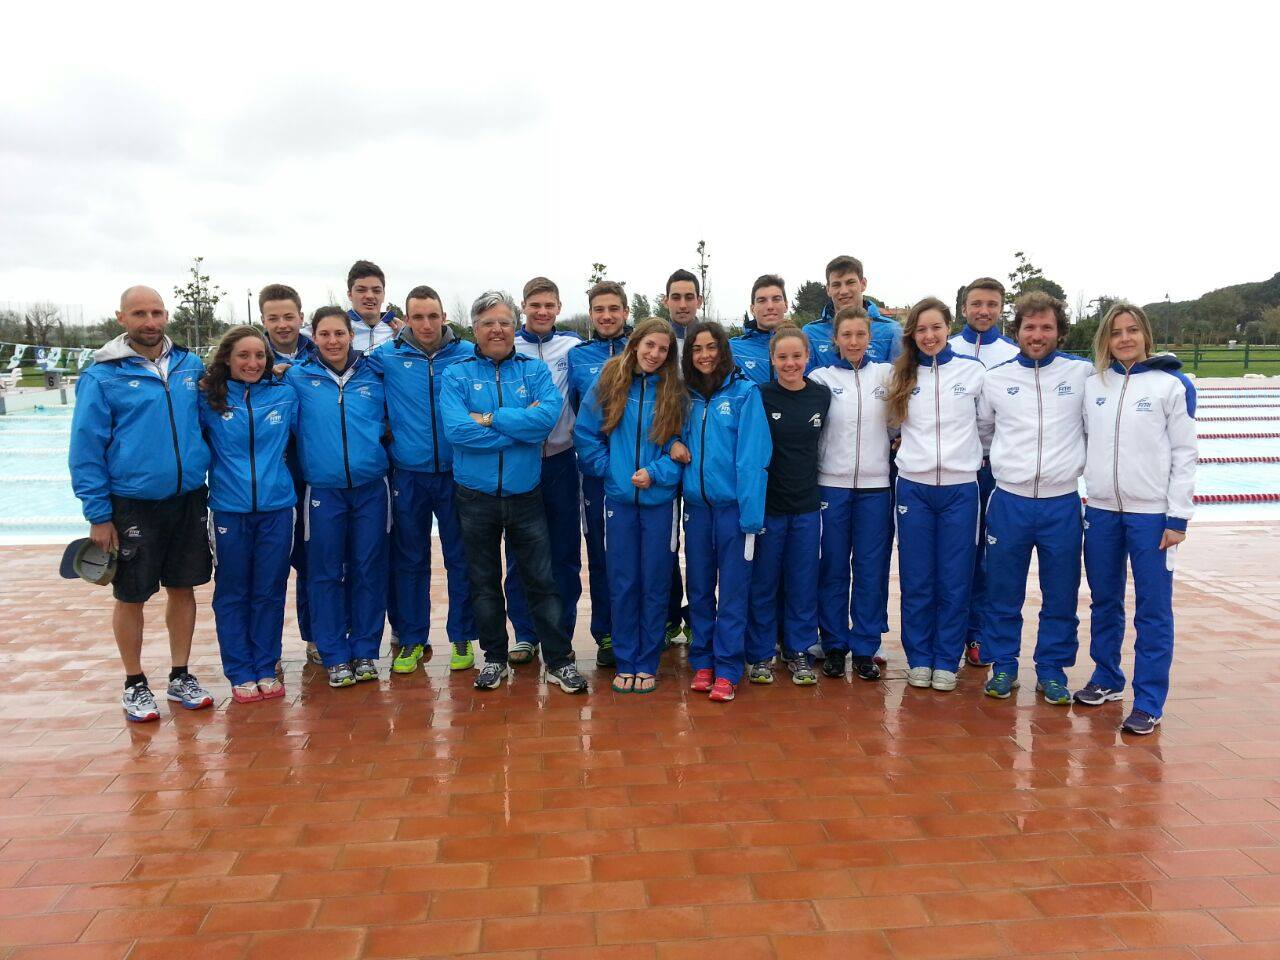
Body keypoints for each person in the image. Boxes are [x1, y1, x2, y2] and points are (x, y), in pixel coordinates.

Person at [69, 285, 214, 721]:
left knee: (183, 587)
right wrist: (98, 514)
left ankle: (180, 674)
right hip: (131, 503)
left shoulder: (190, 365)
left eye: (155, 312)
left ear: (166, 314)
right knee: (131, 595)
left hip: (188, 498)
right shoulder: (103, 376)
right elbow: (86, 449)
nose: (149, 322)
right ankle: (134, 682)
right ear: (121, 318)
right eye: (139, 314)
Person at [440, 290, 587, 694]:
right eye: (488, 323)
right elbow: (457, 431)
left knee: (541, 579)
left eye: (504, 322)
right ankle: (494, 658)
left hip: (526, 494)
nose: (498, 330)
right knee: (484, 583)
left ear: (513, 325)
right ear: (475, 329)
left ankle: (559, 660)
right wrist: (515, 432)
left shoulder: (533, 370)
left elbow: (543, 422)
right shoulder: (457, 373)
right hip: (475, 497)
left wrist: (490, 419)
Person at [1076, 302, 1196, 735]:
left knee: (1152, 611)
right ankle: (1107, 677)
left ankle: (1149, 700)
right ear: (1105, 340)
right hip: (1104, 510)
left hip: (1151, 515)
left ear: (1145, 334)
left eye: (1132, 330)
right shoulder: (1094, 385)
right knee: (1104, 601)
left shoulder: (1171, 386)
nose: (1124, 338)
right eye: (1115, 332)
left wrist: (1178, 516)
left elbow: (1185, 453)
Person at [976, 292, 1091, 704]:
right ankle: (1003, 664)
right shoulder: (998, 378)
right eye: (1030, 327)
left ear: (1059, 331)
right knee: (1002, 591)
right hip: (1010, 501)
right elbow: (985, 434)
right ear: (1017, 330)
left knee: (1060, 593)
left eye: (1046, 327)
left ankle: (1052, 669)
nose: (1037, 335)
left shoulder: (1082, 375)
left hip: (1061, 503)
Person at [367, 285, 478, 674]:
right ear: (406, 319)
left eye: (433, 316)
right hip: (409, 474)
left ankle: (462, 635)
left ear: (444, 316)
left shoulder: (466, 354)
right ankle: (412, 639)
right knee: (410, 559)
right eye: (418, 317)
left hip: (456, 473)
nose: (427, 324)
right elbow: (343, 367)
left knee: (459, 558)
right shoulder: (387, 357)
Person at [574, 318, 687, 693]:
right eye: (649, 345)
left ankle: (647, 661)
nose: (655, 354)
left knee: (654, 582)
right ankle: (626, 658)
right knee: (623, 581)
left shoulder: (674, 390)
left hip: (659, 503)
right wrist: (612, 473)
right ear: (635, 343)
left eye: (663, 349)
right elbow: (586, 434)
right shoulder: (610, 380)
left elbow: (684, 448)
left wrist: (656, 473)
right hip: (619, 502)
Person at [285, 307, 391, 687]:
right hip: (323, 491)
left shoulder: (375, 374)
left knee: (368, 569)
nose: (332, 341)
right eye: (325, 334)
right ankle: (334, 654)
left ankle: (365, 650)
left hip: (370, 489)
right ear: (314, 336)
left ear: (350, 335)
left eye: (339, 334)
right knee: (325, 573)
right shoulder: (297, 377)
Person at [885, 297, 985, 693]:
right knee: (918, 577)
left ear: (949, 327)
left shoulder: (973, 372)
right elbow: (893, 426)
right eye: (921, 329)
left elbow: (988, 424)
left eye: (936, 327)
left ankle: (946, 658)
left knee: (955, 578)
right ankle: (920, 657)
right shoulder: (902, 377)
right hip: (915, 487)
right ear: (913, 334)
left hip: (961, 488)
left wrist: (967, 457)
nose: (929, 335)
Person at [198, 327, 299, 702]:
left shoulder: (284, 395)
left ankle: (265, 664)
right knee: (232, 591)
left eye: (260, 356)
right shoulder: (209, 399)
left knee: (270, 589)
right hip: (229, 509)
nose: (253, 363)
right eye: (244, 355)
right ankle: (239, 670)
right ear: (228, 358)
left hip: (277, 508)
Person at [682, 321, 772, 702]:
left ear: (723, 350)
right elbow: (670, 435)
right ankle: (703, 659)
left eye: (711, 347)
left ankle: (729, 666)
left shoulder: (744, 393)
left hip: (734, 509)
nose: (704, 355)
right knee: (700, 588)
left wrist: (751, 515)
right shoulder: (684, 395)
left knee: (733, 590)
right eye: (697, 349)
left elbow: (753, 457)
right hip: (696, 507)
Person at [809, 307, 896, 681]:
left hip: (876, 487)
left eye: (861, 335)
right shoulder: (820, 378)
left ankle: (865, 646)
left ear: (870, 337)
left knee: (870, 569)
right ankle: (832, 643)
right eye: (847, 335)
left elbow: (904, 419)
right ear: (836, 340)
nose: (855, 342)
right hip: (832, 485)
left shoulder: (888, 375)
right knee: (831, 568)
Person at [504, 277, 583, 665]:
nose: (542, 312)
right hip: (519, 462)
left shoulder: (573, 346)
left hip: (562, 461)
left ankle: (562, 631)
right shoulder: (507, 346)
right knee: (520, 552)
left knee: (564, 553)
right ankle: (524, 632)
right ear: (523, 306)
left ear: (558, 307)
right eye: (535, 304)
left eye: (549, 305)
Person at [745, 326, 828, 686]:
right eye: (783, 357)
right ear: (772, 359)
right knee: (764, 582)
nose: (790, 363)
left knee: (802, 581)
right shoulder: (759, 395)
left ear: (808, 357)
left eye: (797, 356)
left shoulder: (822, 397)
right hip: (769, 506)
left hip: (807, 505)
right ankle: (762, 652)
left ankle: (797, 650)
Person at [950, 277, 1020, 669]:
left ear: (1000, 309)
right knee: (956, 555)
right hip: (957, 468)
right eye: (976, 303)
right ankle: (952, 629)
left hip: (994, 469)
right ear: (964, 308)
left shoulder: (1011, 352)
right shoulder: (947, 347)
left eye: (991, 304)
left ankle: (978, 632)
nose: (983, 311)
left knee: (989, 557)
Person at [567, 281, 631, 667]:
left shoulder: (643, 351)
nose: (607, 316)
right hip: (595, 475)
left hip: (638, 470)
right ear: (591, 314)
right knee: (602, 555)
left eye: (614, 308)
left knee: (643, 553)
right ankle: (606, 633)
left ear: (625, 311)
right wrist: (599, 464)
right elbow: (580, 417)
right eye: (599, 309)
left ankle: (644, 627)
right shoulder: (578, 357)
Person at [258, 283, 319, 665]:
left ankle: (315, 638)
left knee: (313, 563)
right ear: (262, 320)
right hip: (269, 481)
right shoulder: (249, 357)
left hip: (313, 474)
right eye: (273, 318)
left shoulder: (321, 352)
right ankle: (269, 651)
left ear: (301, 316)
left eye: (288, 316)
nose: (282, 324)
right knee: (271, 568)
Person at [805, 255, 903, 369]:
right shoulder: (811, 333)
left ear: (863, 284)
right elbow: (803, 381)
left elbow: (899, 380)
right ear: (828, 289)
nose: (844, 291)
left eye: (850, 282)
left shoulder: (892, 330)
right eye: (836, 284)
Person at [730, 274, 790, 385]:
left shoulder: (802, 346)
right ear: (752, 309)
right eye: (762, 301)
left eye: (776, 299)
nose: (770, 306)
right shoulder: (731, 349)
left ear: (786, 305)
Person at [343, 260, 402, 354]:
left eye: (376, 291)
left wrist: (404, 334)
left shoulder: (399, 333)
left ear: (383, 295)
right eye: (361, 290)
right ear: (350, 295)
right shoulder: (335, 332)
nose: (370, 296)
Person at [662, 268, 704, 359]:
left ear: (699, 301)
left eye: (689, 298)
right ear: (666, 301)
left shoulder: (715, 344)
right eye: (676, 298)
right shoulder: (653, 345)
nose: (682, 305)